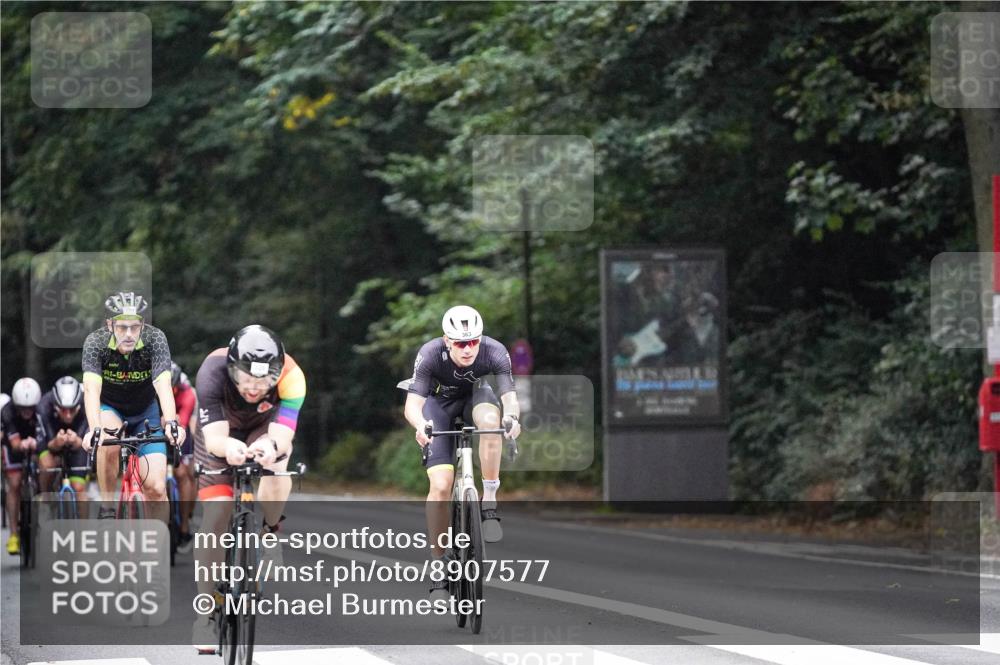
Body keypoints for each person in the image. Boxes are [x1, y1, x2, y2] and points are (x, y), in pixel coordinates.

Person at [190, 324, 306, 651]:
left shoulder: (292, 376)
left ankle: (271, 531)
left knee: (278, 466)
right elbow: (215, 439)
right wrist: (229, 448)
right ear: (232, 369)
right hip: (221, 432)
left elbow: (283, 436)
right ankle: (205, 616)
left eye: (264, 380)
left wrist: (271, 446)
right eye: (246, 378)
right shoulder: (212, 371)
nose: (254, 388)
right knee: (216, 515)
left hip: (264, 429)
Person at [403, 305, 521, 600]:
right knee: (440, 486)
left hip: (477, 399)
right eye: (460, 343)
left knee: (492, 424)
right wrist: (420, 425)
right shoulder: (430, 353)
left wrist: (512, 418)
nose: (468, 349)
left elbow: (509, 396)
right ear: (447, 340)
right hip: (438, 407)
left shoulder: (494, 350)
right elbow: (413, 404)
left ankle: (489, 501)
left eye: (473, 342)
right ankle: (438, 566)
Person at [80, 292, 184, 520]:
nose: (128, 334)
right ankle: (108, 508)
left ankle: (160, 539)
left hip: (146, 410)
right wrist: (94, 428)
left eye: (135, 327)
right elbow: (91, 389)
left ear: (142, 325)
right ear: (110, 325)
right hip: (110, 408)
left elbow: (163, 385)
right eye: (122, 327)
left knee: (156, 489)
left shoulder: (155, 339)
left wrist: (171, 423)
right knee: (108, 439)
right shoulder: (96, 343)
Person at [1, 378, 46, 554]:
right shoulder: (7, 411)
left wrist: (37, 445)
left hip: (35, 442)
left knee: (46, 467)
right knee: (14, 483)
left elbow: (46, 437)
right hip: (14, 446)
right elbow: (14, 444)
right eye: (22, 408)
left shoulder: (42, 408)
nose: (27, 411)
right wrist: (23, 444)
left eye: (30, 408)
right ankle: (14, 534)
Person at [37, 377, 89, 511]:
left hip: (77, 442)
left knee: (79, 488)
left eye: (72, 410)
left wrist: (77, 441)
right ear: (55, 405)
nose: (68, 415)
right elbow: (47, 444)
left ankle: (84, 524)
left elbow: (84, 442)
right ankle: (46, 497)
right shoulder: (44, 406)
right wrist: (56, 443)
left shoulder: (86, 403)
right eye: (63, 410)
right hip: (52, 440)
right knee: (47, 464)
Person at [170, 362, 197, 550]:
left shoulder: (188, 392)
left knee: (185, 474)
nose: (171, 391)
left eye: (173, 389)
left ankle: (185, 523)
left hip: (183, 426)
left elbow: (185, 423)